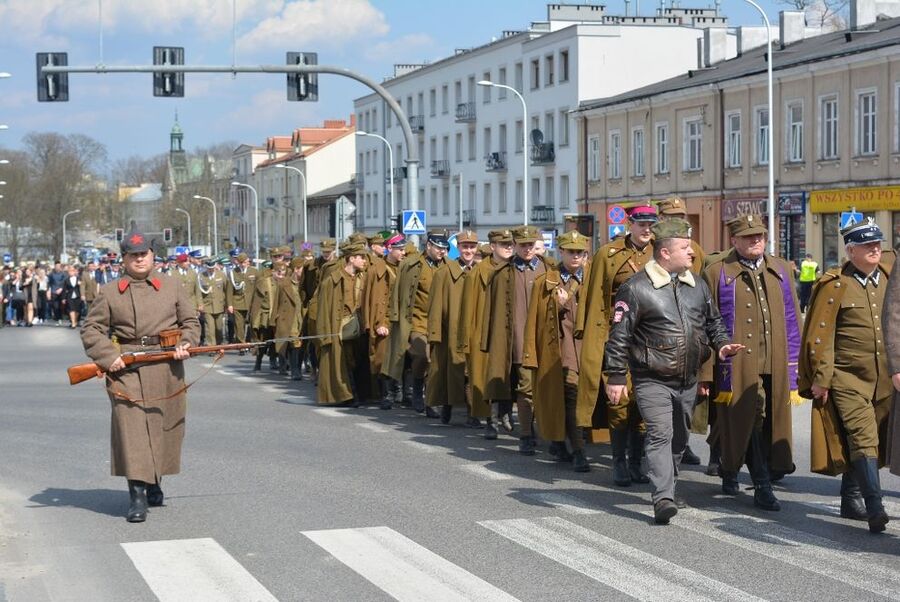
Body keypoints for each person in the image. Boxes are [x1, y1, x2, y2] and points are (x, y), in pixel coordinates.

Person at [604, 218, 741, 524]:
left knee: (679, 439)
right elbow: (619, 335)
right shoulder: (636, 287)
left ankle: (668, 482)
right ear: (665, 253)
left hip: (688, 378)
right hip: (651, 377)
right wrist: (615, 376)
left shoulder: (697, 285)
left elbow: (713, 323)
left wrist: (722, 345)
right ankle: (662, 497)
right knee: (660, 434)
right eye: (684, 247)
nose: (692, 253)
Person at [80, 231, 200, 523]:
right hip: (126, 369)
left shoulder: (172, 286)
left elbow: (190, 322)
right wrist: (110, 357)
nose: (140, 258)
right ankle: (137, 496)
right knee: (132, 430)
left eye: (144, 253)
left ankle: (155, 479)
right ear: (124, 258)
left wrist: (187, 343)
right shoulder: (109, 292)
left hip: (166, 366)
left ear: (152, 255)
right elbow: (91, 329)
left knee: (162, 427)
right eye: (134, 255)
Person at [700, 214, 802, 512]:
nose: (756, 240)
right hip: (738, 364)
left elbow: (794, 316)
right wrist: (706, 372)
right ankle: (761, 485)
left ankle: (729, 466)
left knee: (765, 421)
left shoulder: (781, 269)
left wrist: (801, 365)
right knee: (750, 416)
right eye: (748, 236)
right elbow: (706, 324)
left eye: (759, 235)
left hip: (776, 359)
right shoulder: (717, 272)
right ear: (733, 240)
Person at [801, 219, 894, 533]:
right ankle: (875, 507)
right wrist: (822, 378)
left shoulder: (889, 278)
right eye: (868, 246)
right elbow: (822, 336)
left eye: (878, 244)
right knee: (863, 437)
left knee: (877, 437)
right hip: (848, 378)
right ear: (850, 250)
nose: (875, 250)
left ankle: (849, 496)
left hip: (884, 377)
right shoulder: (835, 284)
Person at [576, 204, 657, 486]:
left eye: (650, 225)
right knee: (619, 400)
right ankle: (619, 462)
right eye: (641, 224)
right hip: (617, 335)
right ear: (630, 224)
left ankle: (637, 462)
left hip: (650, 337)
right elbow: (595, 296)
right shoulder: (608, 255)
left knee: (644, 402)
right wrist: (591, 337)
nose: (646, 229)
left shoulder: (661, 253)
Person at [523, 230, 591, 471]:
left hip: (589, 349)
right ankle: (578, 450)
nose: (575, 256)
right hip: (560, 350)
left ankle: (563, 442)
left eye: (580, 252)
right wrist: (557, 306)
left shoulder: (593, 278)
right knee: (567, 396)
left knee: (580, 399)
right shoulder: (546, 281)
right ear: (560, 252)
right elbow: (533, 321)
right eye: (570, 251)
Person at [382, 230, 448, 416]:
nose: (442, 252)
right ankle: (417, 390)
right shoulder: (411, 265)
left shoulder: (448, 267)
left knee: (437, 361)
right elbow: (398, 293)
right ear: (428, 246)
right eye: (438, 248)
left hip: (441, 322)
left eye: (445, 248)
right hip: (418, 320)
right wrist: (393, 318)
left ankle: (431, 400)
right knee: (422, 355)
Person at [459, 229, 515, 439]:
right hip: (483, 333)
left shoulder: (515, 270)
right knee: (487, 377)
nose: (508, 247)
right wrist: (467, 340)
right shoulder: (477, 273)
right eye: (503, 244)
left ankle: (507, 414)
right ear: (492, 247)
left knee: (510, 375)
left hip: (510, 332)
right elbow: (469, 310)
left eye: (510, 244)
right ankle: (491, 420)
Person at [426, 230, 478, 424]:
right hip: (451, 332)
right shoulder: (444, 273)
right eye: (465, 247)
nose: (469, 251)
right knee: (449, 373)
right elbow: (435, 306)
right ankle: (447, 407)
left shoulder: (480, 271)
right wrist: (434, 335)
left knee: (471, 373)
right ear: (458, 248)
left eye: (472, 247)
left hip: (474, 331)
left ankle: (473, 413)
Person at [317, 239, 367, 406]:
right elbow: (324, 309)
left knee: (357, 360)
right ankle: (349, 396)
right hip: (340, 328)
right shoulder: (332, 280)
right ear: (351, 258)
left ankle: (359, 394)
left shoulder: (363, 278)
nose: (364, 260)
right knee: (344, 361)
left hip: (359, 326)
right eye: (361, 257)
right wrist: (325, 335)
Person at [363, 233, 405, 409]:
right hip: (384, 321)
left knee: (402, 357)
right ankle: (386, 394)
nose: (403, 253)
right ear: (390, 249)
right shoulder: (377, 269)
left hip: (401, 321)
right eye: (400, 249)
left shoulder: (405, 268)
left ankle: (401, 392)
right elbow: (375, 299)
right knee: (382, 358)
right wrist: (380, 323)